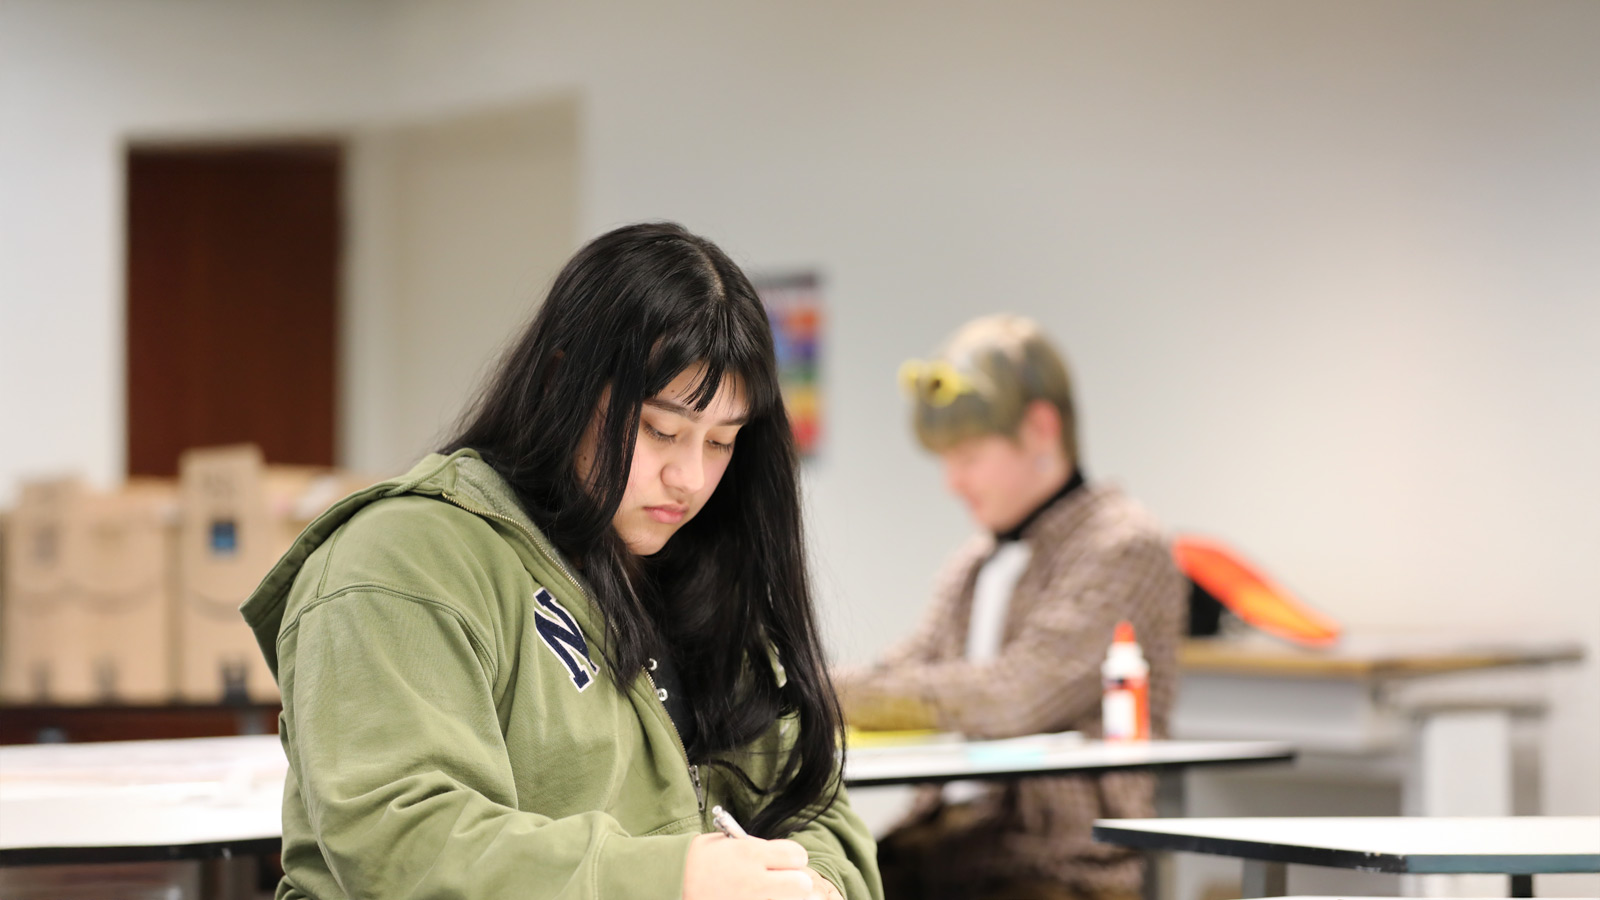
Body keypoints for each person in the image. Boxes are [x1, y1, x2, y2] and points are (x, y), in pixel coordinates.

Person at [242, 223, 882, 900]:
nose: (690, 478)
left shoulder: (697, 570)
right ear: (562, 382)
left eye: (721, 443)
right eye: (659, 431)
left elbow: (812, 804)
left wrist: (811, 885)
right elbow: (402, 843)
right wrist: (676, 880)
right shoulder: (402, 560)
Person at [833, 315, 1186, 900]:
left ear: (1041, 428)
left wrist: (825, 691)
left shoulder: (1123, 546)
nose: (951, 481)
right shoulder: (975, 563)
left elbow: (1014, 695)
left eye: (968, 455)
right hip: (947, 847)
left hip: (1059, 864)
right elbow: (903, 672)